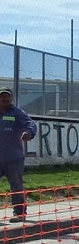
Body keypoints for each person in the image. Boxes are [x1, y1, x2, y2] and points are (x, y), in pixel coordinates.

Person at [0, 86, 36, 223]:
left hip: (13, 157)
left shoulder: (16, 113)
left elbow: (30, 124)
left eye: (7, 96)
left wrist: (29, 133)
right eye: (2, 96)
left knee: (16, 185)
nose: (4, 98)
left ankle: (20, 213)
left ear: (11, 98)